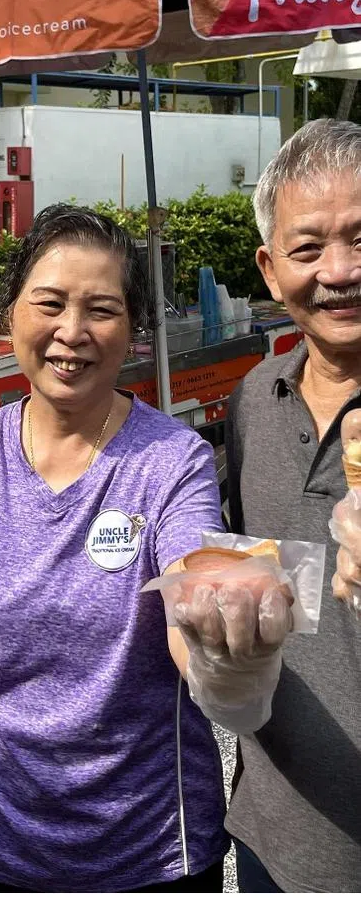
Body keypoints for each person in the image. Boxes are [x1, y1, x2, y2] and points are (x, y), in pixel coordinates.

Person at [0, 205, 234, 893]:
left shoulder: (171, 462)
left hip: (150, 852)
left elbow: (191, 596)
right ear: (11, 314)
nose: (72, 332)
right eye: (50, 304)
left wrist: (226, 618)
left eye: (101, 309)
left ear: (133, 329)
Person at [218, 117, 361, 892]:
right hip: (275, 838)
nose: (338, 271)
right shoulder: (250, 400)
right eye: (308, 249)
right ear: (271, 270)